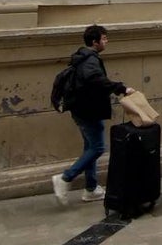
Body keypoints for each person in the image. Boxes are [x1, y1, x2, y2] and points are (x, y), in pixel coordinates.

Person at [51, 24, 134, 205]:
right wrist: (121, 88)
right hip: (88, 111)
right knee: (97, 148)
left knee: (90, 147)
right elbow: (96, 79)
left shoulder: (83, 57)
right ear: (95, 42)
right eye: (104, 38)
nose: (107, 41)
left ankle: (91, 189)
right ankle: (65, 178)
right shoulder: (90, 61)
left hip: (81, 110)